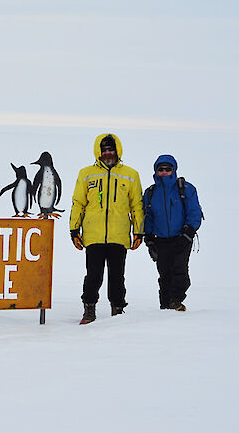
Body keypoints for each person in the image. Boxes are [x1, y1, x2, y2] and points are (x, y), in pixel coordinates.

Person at [70, 133, 144, 324]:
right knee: (93, 275)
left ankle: (117, 310)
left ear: (117, 150)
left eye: (111, 149)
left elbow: (137, 205)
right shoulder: (86, 174)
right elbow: (78, 203)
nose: (107, 153)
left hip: (119, 236)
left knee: (117, 277)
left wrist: (139, 231)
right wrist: (74, 230)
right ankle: (89, 310)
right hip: (93, 235)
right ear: (98, 152)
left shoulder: (131, 175)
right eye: (104, 150)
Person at [143, 155, 203, 311]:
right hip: (160, 240)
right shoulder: (150, 193)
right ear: (156, 171)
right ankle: (165, 305)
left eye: (167, 169)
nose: (164, 172)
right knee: (164, 273)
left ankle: (176, 300)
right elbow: (148, 217)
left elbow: (194, 212)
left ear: (174, 170)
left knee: (179, 270)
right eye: (160, 169)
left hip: (181, 238)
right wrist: (148, 238)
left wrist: (188, 232)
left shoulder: (186, 188)